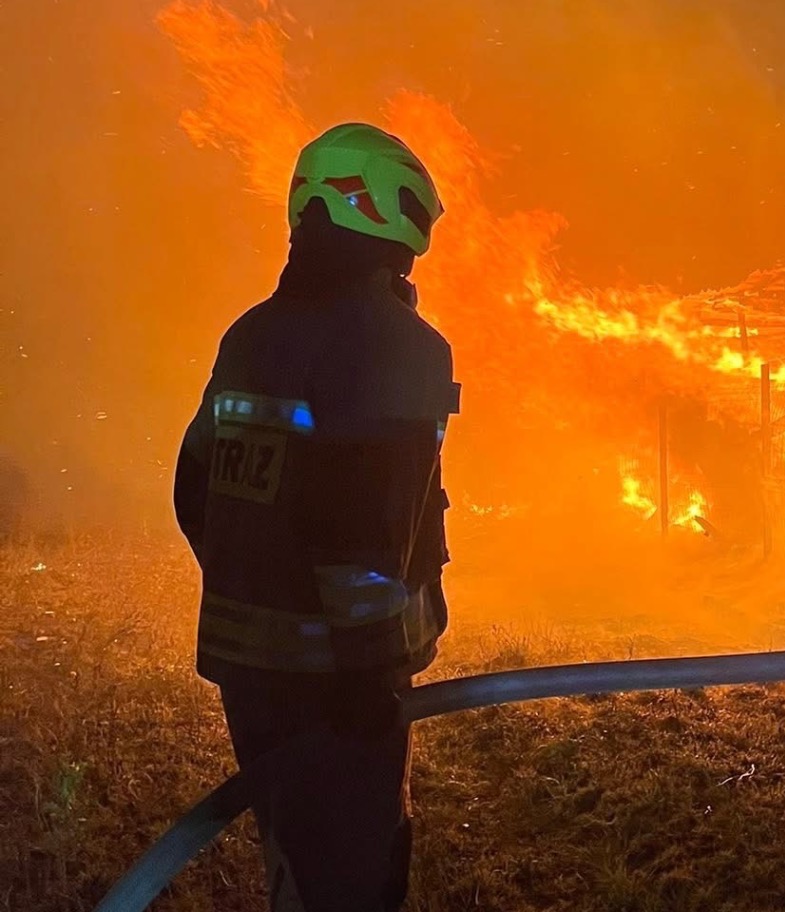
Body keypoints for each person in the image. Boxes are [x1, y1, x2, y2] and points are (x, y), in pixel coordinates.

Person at [172, 122, 457, 912]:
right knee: (357, 879)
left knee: (292, 866)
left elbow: (196, 488)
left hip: (248, 674)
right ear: (382, 208)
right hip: (340, 686)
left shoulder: (251, 335)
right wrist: (364, 668)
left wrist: (256, 580)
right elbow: (360, 519)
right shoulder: (397, 345)